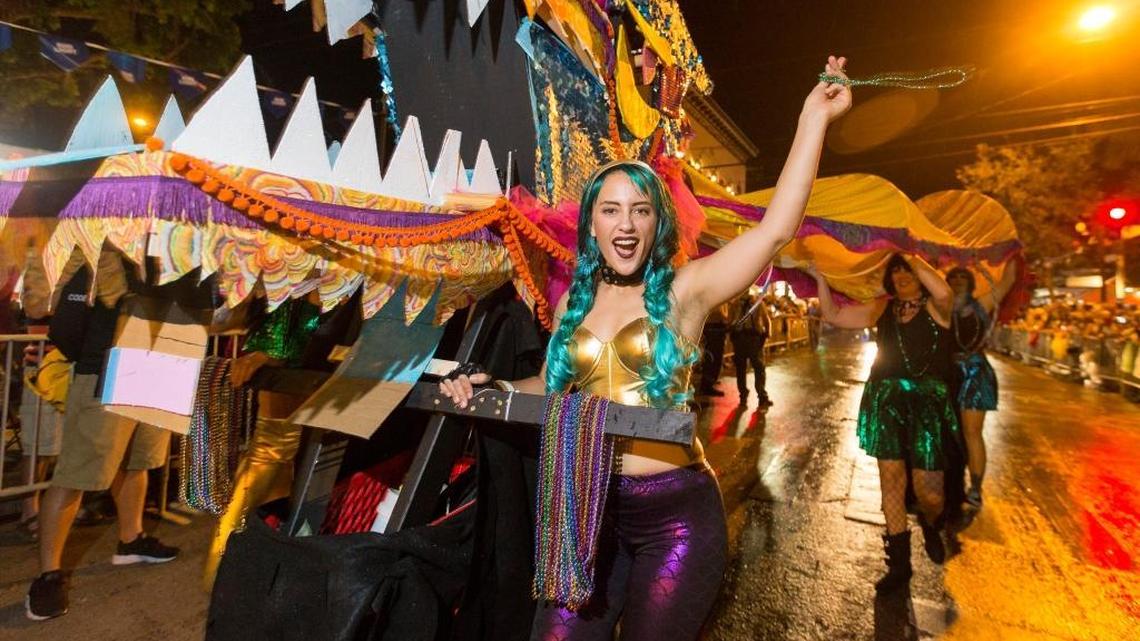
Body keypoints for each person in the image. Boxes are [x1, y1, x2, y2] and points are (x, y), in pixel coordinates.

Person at [442, 55, 851, 641]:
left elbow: (774, 231)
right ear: (592, 225)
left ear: (658, 223)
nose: (626, 225)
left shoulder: (686, 291)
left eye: (641, 210)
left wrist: (813, 120)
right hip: (588, 511)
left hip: (675, 520)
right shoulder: (573, 304)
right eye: (611, 210)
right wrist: (497, 387)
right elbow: (556, 389)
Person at [26, 250, 181, 621]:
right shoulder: (99, 247)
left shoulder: (173, 247)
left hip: (161, 360)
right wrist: (93, 357)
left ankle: (131, 539)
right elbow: (61, 320)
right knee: (77, 473)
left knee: (138, 460)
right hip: (108, 366)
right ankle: (49, 575)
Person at [809, 253, 957, 593]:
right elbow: (834, 315)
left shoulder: (938, 307)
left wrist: (910, 252)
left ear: (921, 273)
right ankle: (899, 565)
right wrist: (819, 277)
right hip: (886, 401)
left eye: (909, 270)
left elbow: (944, 292)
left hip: (927, 406)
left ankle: (931, 522)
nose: (902, 275)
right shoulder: (882, 308)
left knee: (930, 494)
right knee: (891, 481)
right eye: (897, 270)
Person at [946, 262, 1017, 510]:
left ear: (971, 282)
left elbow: (1007, 281)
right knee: (948, 433)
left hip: (975, 373)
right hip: (947, 375)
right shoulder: (939, 305)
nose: (958, 280)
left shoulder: (981, 305)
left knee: (972, 432)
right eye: (953, 276)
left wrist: (1010, 251)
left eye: (963, 276)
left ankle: (975, 489)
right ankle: (949, 484)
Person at [729, 292, 772, 407]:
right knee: (758, 368)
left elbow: (729, 321)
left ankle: (744, 395)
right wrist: (767, 334)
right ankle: (761, 396)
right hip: (753, 338)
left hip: (742, 339)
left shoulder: (735, 303)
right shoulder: (757, 302)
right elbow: (766, 319)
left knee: (742, 369)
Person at [696, 302, 729, 396]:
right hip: (714, 326)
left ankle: (709, 382)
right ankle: (707, 385)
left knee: (715, 357)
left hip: (717, 325)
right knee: (713, 357)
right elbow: (718, 312)